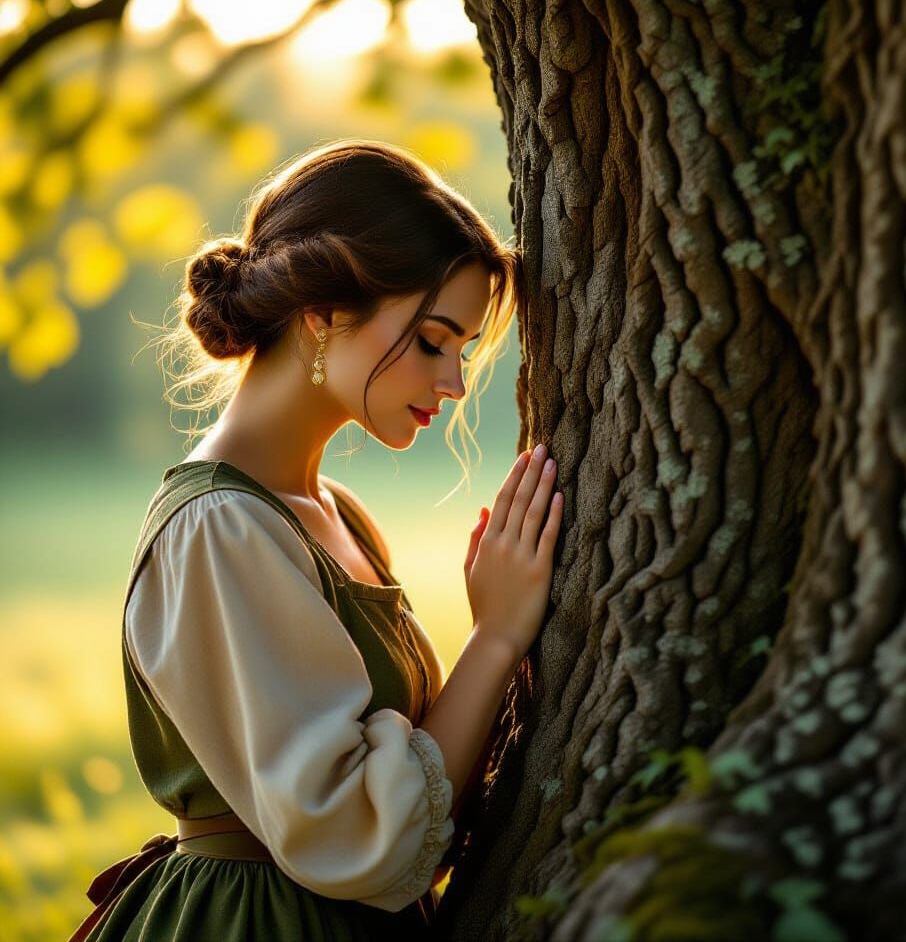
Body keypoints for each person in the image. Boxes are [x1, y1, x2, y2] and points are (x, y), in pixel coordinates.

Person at [68, 139, 564, 941]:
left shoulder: (336, 512)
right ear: (325, 311)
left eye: (462, 350)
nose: (453, 383)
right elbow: (353, 832)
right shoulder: (219, 526)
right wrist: (497, 635)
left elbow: (412, 802)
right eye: (432, 340)